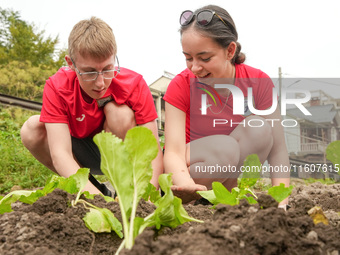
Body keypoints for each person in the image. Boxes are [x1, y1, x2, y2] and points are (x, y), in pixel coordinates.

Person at [163, 5, 290, 208]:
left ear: (230, 50)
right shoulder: (181, 85)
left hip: (226, 175)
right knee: (226, 148)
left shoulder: (258, 82)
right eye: (188, 58)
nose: (195, 67)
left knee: (261, 129)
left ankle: (227, 196)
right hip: (187, 175)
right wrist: (186, 186)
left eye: (205, 58)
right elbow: (173, 153)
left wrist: (281, 204)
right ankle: (197, 201)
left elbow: (278, 151)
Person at [20, 17, 163, 196]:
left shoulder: (134, 84)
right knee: (31, 129)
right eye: (89, 72)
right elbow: (61, 154)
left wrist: (146, 198)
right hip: (82, 154)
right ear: (71, 63)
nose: (100, 83)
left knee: (120, 114)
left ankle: (127, 191)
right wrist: (98, 202)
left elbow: (152, 148)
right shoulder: (57, 87)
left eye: (108, 68)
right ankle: (95, 191)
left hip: (122, 154)